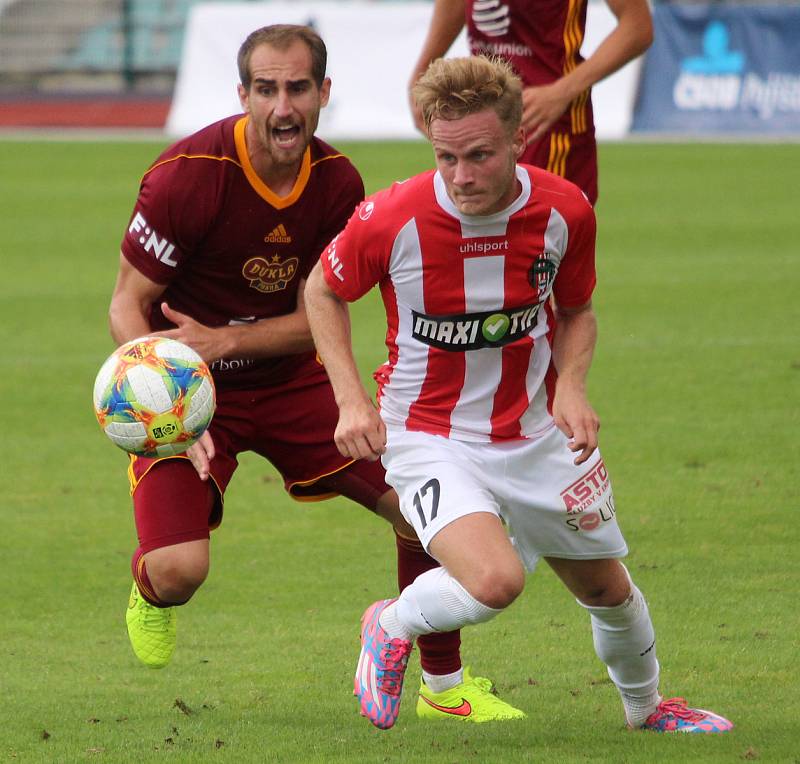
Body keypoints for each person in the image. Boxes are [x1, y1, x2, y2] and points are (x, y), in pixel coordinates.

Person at [304, 54, 733, 733]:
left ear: (515, 141)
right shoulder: (393, 218)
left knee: (608, 590)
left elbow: (579, 311)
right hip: (427, 434)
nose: (462, 176)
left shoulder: (564, 211)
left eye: (479, 156)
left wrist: (573, 389)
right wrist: (351, 400)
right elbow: (322, 290)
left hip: (537, 433)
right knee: (496, 581)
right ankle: (388, 624)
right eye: (447, 157)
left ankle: (647, 711)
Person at [108, 24, 522, 723]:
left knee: (423, 511)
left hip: (297, 381)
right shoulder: (188, 176)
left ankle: (444, 688)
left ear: (323, 92)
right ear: (243, 94)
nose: (283, 106)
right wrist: (171, 394)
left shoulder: (338, 184)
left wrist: (227, 340)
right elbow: (128, 303)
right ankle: (150, 592)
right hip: (188, 391)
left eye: (298, 87)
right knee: (180, 571)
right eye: (266, 89)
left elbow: (322, 313)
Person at [408, 0, 653, 204]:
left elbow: (637, 28)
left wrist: (560, 91)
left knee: (543, 248)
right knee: (478, 241)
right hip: (483, 119)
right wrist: (422, 72)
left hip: (548, 128)